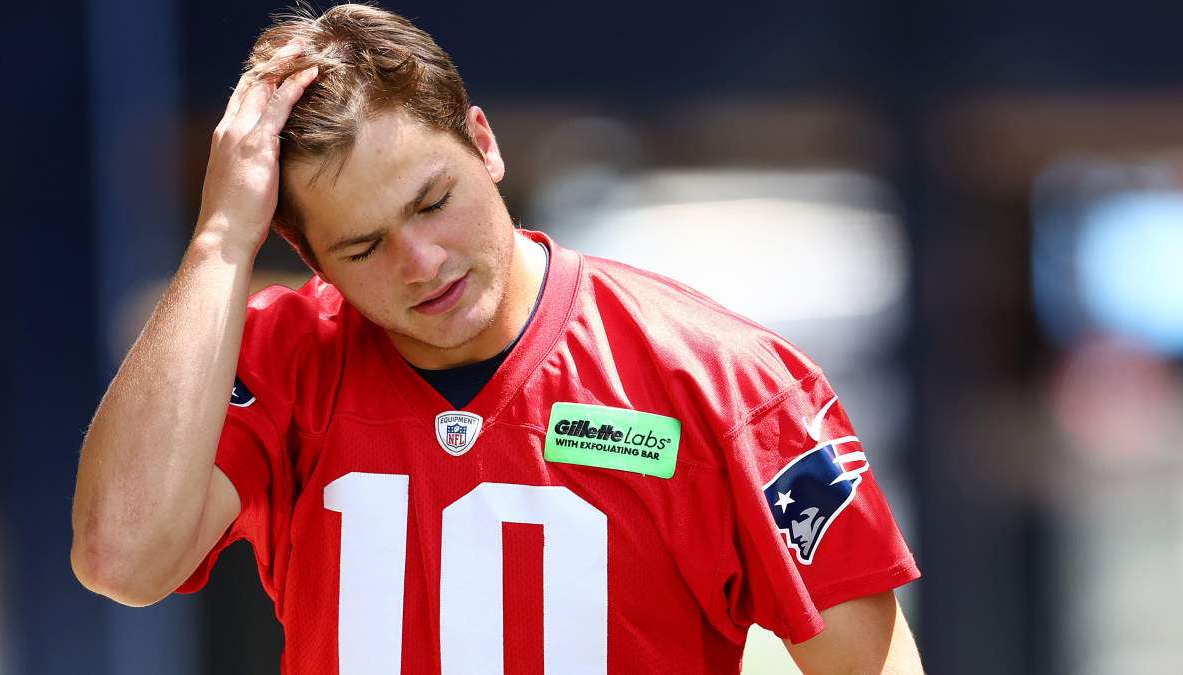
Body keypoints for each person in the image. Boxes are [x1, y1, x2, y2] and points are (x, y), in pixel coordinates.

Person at [70, 4, 924, 673]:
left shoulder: (726, 381)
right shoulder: (280, 358)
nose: (422, 262)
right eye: (363, 246)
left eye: (434, 201)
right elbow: (122, 558)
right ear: (310, 256)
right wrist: (221, 237)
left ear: (484, 143)